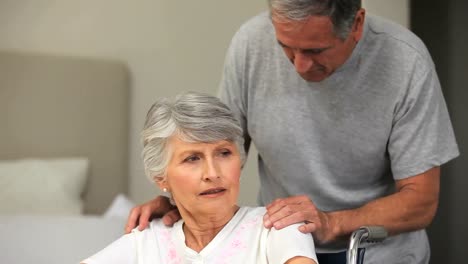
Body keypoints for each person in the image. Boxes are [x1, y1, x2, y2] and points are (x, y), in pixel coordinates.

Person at [126, 1, 460, 263]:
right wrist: (178, 199)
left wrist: (330, 223)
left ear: (356, 24)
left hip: (375, 250)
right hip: (279, 241)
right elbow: (222, 148)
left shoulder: (406, 62)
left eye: (315, 50)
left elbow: (421, 200)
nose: (298, 65)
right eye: (286, 46)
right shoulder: (250, 44)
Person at [82, 92, 318, 264]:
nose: (213, 173)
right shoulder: (147, 240)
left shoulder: (279, 226)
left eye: (224, 153)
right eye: (192, 158)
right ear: (160, 177)